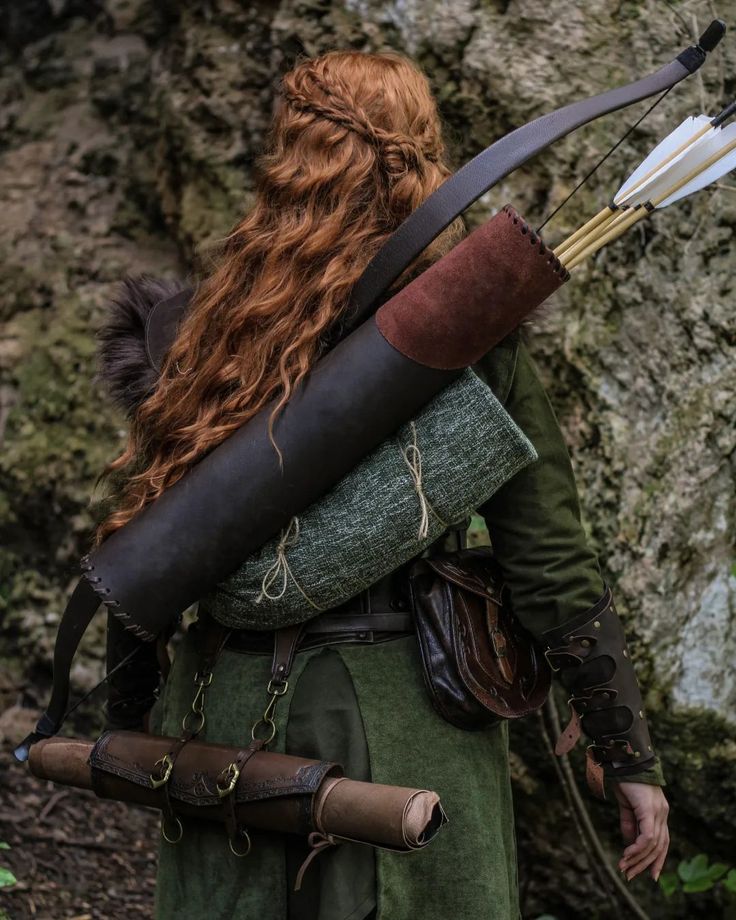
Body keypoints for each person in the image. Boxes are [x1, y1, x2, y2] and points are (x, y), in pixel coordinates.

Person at [94, 49, 669, 920]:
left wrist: (128, 719)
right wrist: (628, 757)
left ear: (284, 161)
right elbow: (551, 562)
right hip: (403, 725)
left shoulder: (199, 336)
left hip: (221, 710)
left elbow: (146, 547)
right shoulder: (466, 339)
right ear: (420, 162)